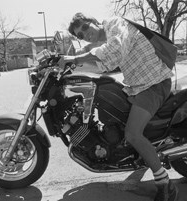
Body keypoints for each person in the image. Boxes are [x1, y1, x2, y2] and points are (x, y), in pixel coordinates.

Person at [58, 13, 178, 201]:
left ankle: (165, 184)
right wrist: (70, 65)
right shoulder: (104, 40)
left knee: (132, 134)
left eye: (84, 27)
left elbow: (114, 52)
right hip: (139, 86)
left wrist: (74, 60)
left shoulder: (115, 23)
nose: (84, 34)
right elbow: (105, 64)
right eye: (80, 35)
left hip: (154, 83)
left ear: (93, 21)